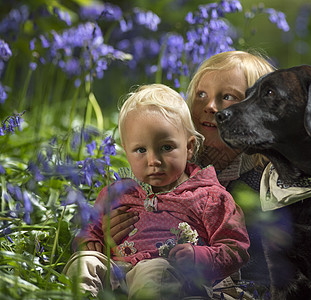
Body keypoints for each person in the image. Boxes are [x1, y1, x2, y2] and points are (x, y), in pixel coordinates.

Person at [104, 51, 276, 296]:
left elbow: (260, 264)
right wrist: (109, 231)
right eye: (201, 95)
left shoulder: (264, 184)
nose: (210, 106)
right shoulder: (169, 165)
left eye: (227, 97)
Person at [63, 84, 250, 299]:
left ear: (189, 147)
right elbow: (90, 229)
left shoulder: (209, 196)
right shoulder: (117, 192)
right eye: (141, 150)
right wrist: (90, 241)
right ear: (126, 150)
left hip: (175, 278)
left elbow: (235, 248)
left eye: (166, 148)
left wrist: (199, 257)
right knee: (83, 263)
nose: (154, 161)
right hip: (116, 272)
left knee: (155, 272)